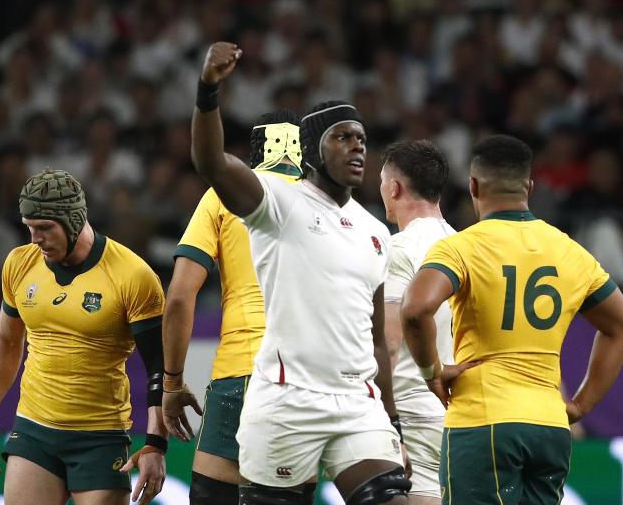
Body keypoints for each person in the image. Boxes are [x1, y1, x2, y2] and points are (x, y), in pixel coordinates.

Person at [162, 41, 411, 505]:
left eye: (361, 136)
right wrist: (208, 90)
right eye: (342, 136)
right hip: (285, 398)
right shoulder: (275, 202)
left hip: (357, 402)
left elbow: (377, 338)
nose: (358, 144)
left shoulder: (375, 231)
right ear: (311, 151)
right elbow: (211, 162)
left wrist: (393, 421)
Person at [400, 134, 623, 505]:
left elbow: (415, 307)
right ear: (530, 187)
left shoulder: (462, 247)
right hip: (549, 427)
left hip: (483, 422)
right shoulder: (569, 251)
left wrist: (431, 371)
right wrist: (581, 405)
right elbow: (618, 325)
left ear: (472, 185)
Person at [0, 169, 168, 505]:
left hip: (100, 437)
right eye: (30, 228)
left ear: (74, 221)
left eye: (44, 228)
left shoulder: (133, 275)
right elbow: (6, 341)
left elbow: (159, 369)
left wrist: (156, 443)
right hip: (33, 430)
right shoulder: (19, 263)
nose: (35, 239)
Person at [161, 110, 308, 505]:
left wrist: (172, 381)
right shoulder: (330, 208)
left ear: (255, 151)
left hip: (244, 368)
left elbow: (179, 295)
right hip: (310, 380)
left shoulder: (223, 197)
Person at [379, 140, 456, 505]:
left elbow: (390, 341)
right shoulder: (468, 246)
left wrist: (385, 423)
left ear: (394, 188)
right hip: (463, 413)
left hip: (414, 410)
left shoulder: (399, 248)